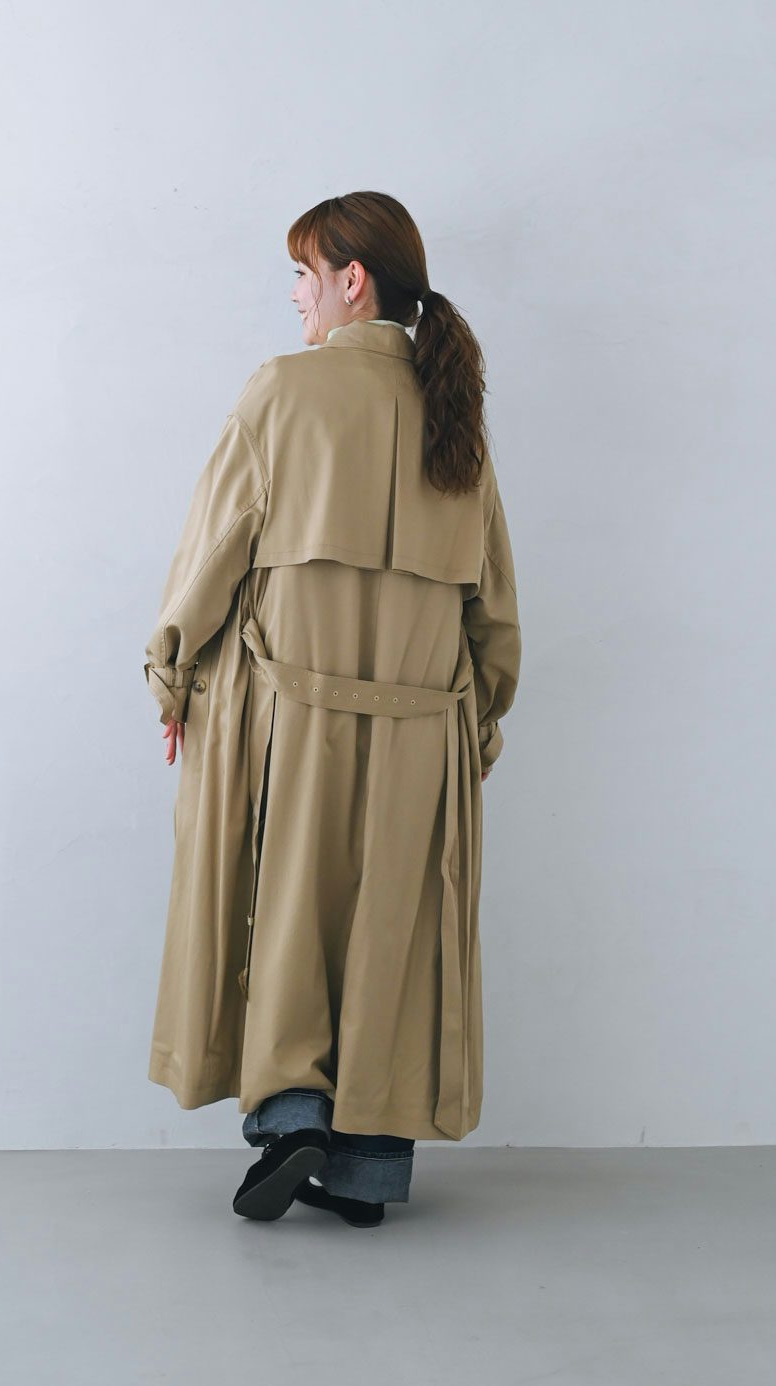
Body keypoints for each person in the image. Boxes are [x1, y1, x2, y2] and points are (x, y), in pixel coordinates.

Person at [143, 191, 521, 1227]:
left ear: (353, 280)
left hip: (291, 715)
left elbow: (212, 552)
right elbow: (491, 601)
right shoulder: (455, 417)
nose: (296, 299)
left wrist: (172, 672)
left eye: (304, 277)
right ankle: (363, 1172)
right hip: (422, 725)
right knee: (393, 927)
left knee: (289, 913)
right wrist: (479, 723)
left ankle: (293, 1113)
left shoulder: (283, 391)